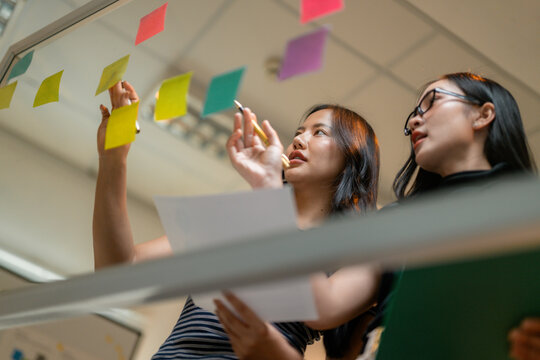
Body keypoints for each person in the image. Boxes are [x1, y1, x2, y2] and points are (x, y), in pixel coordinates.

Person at [93, 80, 382, 359]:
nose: (298, 139)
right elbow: (118, 272)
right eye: (299, 131)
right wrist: (113, 158)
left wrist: (269, 195)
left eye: (319, 132)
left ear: (352, 160)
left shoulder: (353, 250)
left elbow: (322, 311)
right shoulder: (238, 221)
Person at [376, 72, 537, 359]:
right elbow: (322, 306)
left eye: (432, 101)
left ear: (483, 115)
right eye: (414, 113)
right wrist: (270, 191)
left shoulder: (526, 213)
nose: (414, 120)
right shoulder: (398, 218)